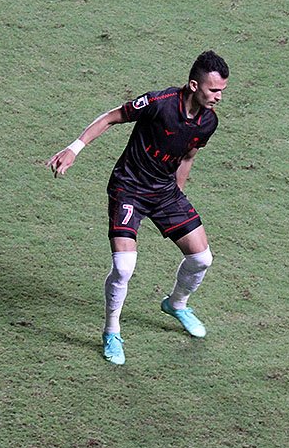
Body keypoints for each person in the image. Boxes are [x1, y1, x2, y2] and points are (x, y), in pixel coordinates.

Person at [47, 50, 229, 365]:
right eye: (214, 90)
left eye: (222, 90)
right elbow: (111, 117)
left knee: (202, 258)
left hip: (165, 192)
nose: (219, 97)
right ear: (193, 85)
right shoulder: (159, 102)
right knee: (124, 267)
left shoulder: (208, 122)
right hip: (128, 188)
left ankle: (176, 304)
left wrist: (178, 193)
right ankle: (111, 331)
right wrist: (74, 149)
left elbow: (188, 156)